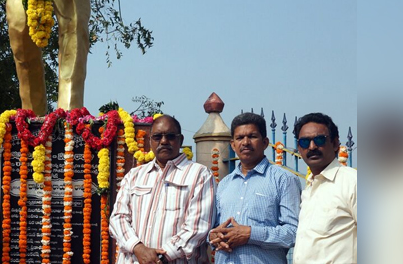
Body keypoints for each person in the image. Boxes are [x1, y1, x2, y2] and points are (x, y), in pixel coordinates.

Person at [109, 115, 216, 264]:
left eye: (170, 136)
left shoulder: (199, 175)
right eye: (157, 136)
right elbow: (118, 218)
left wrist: (160, 258)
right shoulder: (134, 176)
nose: (164, 141)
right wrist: (138, 248)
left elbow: (198, 226)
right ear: (150, 141)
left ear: (181, 139)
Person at [209, 112, 301, 263]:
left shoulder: (284, 179)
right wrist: (213, 237)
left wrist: (251, 234)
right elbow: (213, 229)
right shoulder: (225, 184)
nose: (245, 142)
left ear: (265, 142)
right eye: (239, 138)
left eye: (252, 136)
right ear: (232, 145)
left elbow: (293, 233)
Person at [292, 112, 357, 264]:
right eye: (304, 142)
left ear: (335, 144)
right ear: (299, 148)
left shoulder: (351, 182)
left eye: (319, 140)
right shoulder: (309, 190)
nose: (312, 147)